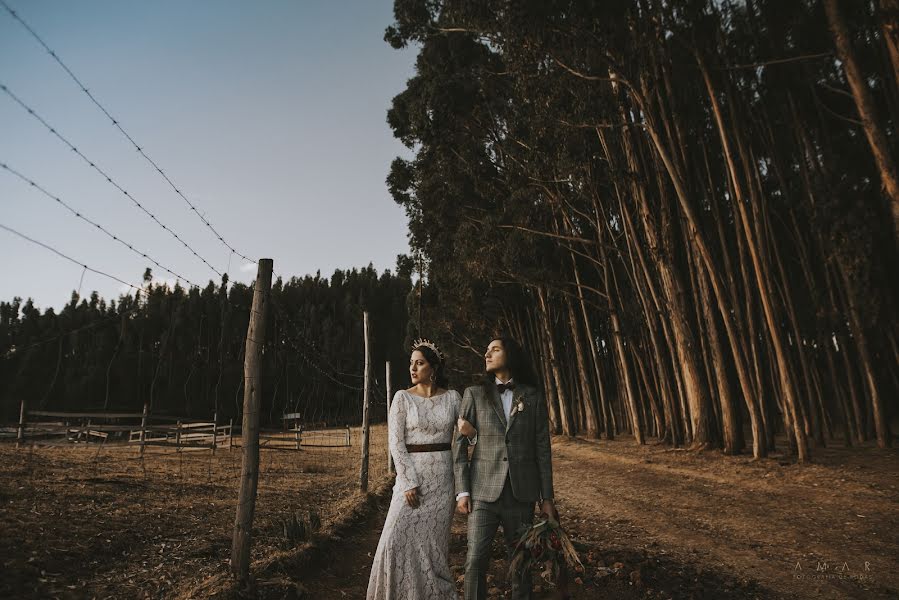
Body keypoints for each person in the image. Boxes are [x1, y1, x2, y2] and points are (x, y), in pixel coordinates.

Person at [366, 339, 476, 600]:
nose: (413, 368)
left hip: (442, 482)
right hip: (411, 480)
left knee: (433, 549)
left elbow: (463, 437)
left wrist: (472, 436)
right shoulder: (402, 398)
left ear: (433, 368)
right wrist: (407, 481)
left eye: (420, 363)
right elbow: (395, 442)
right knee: (393, 540)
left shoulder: (452, 398)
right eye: (411, 364)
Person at [454, 337, 556, 600]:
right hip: (482, 493)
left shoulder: (532, 396)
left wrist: (547, 498)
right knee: (475, 560)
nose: (487, 353)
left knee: (520, 563)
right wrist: (462, 490)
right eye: (486, 349)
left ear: (510, 355)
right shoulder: (474, 394)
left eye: (494, 349)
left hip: (521, 494)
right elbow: (460, 446)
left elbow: (542, 449)